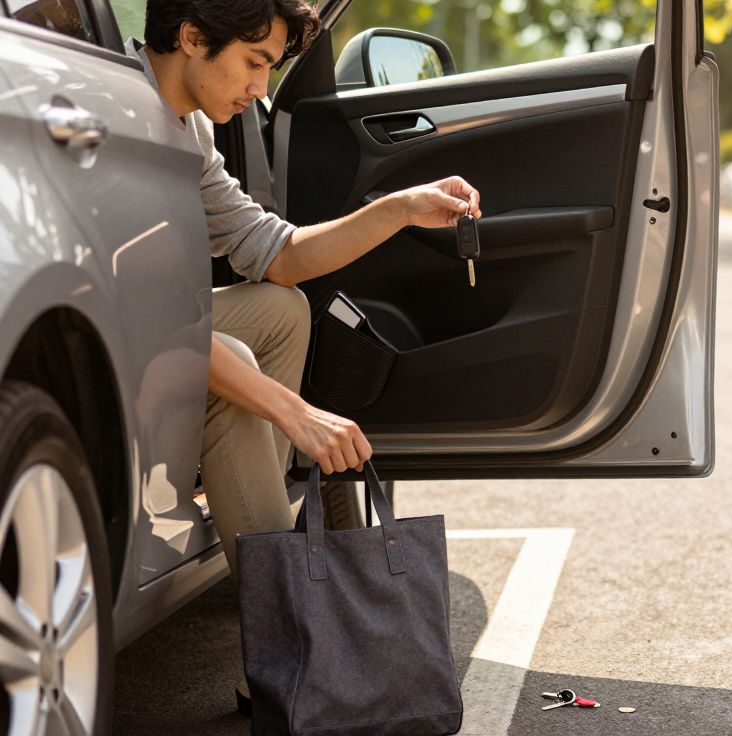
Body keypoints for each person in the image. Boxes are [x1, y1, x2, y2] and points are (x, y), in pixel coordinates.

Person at [130, 0, 483, 713]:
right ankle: (303, 647)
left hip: (150, 341)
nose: (261, 88)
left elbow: (278, 255)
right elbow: (149, 318)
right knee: (234, 375)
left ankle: (260, 544)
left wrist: (400, 208)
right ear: (193, 38)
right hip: (88, 345)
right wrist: (296, 415)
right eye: (255, 62)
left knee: (280, 309)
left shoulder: (191, 128)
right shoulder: (121, 118)